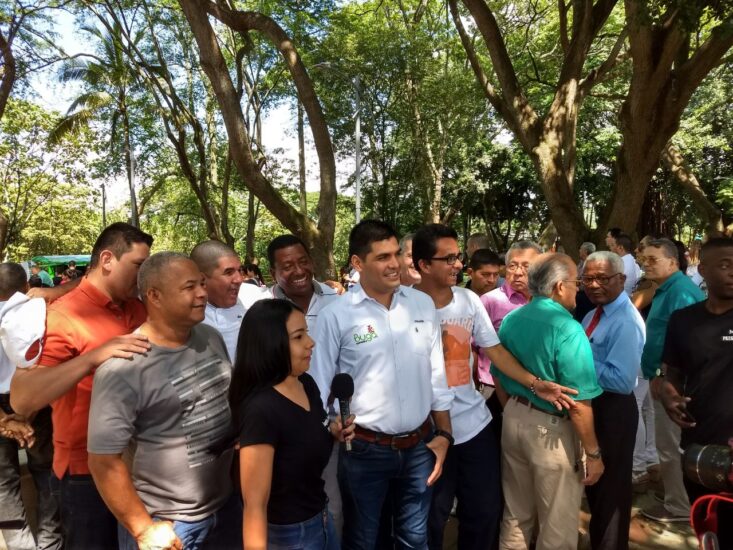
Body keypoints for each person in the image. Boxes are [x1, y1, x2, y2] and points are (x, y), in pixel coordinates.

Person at [412, 225, 577, 550]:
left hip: (474, 427)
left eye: (458, 256)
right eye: (448, 259)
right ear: (424, 265)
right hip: (426, 432)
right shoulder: (405, 305)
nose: (459, 264)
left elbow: (496, 351)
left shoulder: (468, 300)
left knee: (484, 512)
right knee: (431, 516)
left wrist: (534, 384)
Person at [310, 219, 454, 550]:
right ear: (358, 263)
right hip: (363, 450)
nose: (394, 264)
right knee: (363, 540)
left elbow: (436, 375)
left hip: (419, 447)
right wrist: (331, 423)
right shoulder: (336, 315)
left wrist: (444, 436)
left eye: (396, 254)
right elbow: (318, 385)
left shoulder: (421, 305)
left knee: (414, 539)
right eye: (382, 257)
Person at [10, 222, 153, 550]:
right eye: (138, 266)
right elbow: (23, 398)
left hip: (140, 464)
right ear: (107, 260)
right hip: (84, 475)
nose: (143, 277)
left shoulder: (137, 307)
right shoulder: (64, 316)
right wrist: (93, 357)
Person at [87, 252, 240, 550]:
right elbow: (103, 462)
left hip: (226, 509)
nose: (202, 293)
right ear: (154, 296)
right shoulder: (124, 368)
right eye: (189, 287)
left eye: (202, 284)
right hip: (170, 526)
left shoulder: (210, 337)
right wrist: (144, 529)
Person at [494, 253, 604, 550]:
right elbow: (579, 403)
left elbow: (498, 375)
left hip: (514, 417)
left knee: (516, 513)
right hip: (551, 430)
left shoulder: (513, 319)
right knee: (558, 523)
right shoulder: (568, 329)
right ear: (559, 286)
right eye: (576, 282)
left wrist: (514, 410)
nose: (579, 288)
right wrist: (593, 453)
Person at [231, 299, 354, 549]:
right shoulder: (261, 411)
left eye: (306, 332)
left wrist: (333, 431)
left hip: (321, 520)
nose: (311, 342)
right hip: (288, 537)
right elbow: (255, 505)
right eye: (298, 337)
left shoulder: (306, 383)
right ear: (270, 344)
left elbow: (303, 435)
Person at [657, 237, 733, 545]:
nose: (732, 272)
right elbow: (672, 372)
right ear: (703, 270)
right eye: (725, 265)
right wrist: (668, 395)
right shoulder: (683, 321)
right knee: (710, 531)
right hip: (699, 449)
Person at [581, 251, 645, 550]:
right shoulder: (593, 314)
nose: (594, 285)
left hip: (614, 410)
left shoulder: (625, 321)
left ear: (621, 279)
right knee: (596, 489)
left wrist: (577, 361)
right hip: (593, 407)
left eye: (602, 278)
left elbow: (621, 380)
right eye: (588, 279)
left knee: (611, 494)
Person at [639, 238, 705, 523]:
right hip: (665, 379)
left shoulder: (680, 292)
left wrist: (663, 376)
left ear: (673, 262)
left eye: (653, 259)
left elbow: (686, 343)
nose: (646, 264)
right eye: (644, 259)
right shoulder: (667, 289)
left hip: (673, 383)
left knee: (671, 444)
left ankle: (679, 506)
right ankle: (676, 495)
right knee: (669, 443)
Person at [0, 263, 63, 550]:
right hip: (34, 401)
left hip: (4, 409)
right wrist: (25, 414)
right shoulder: (39, 310)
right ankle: (51, 542)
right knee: (45, 469)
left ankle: (20, 545)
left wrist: (5, 419)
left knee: (4, 483)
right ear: (27, 286)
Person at [191, 240, 246, 362]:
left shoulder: (253, 298)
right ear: (202, 279)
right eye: (229, 272)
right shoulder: (185, 318)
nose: (239, 279)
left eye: (240, 270)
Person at [481, 240, 542, 331]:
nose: (518, 272)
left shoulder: (548, 299)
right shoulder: (489, 301)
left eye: (526, 266)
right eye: (512, 266)